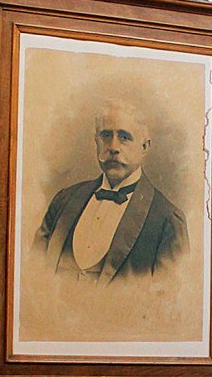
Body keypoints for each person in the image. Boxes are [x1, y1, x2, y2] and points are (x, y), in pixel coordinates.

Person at [35, 100, 188, 282]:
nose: (113, 147)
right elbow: (32, 274)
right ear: (96, 141)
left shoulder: (168, 221)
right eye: (106, 135)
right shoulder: (63, 200)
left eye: (124, 137)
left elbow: (168, 300)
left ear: (144, 147)